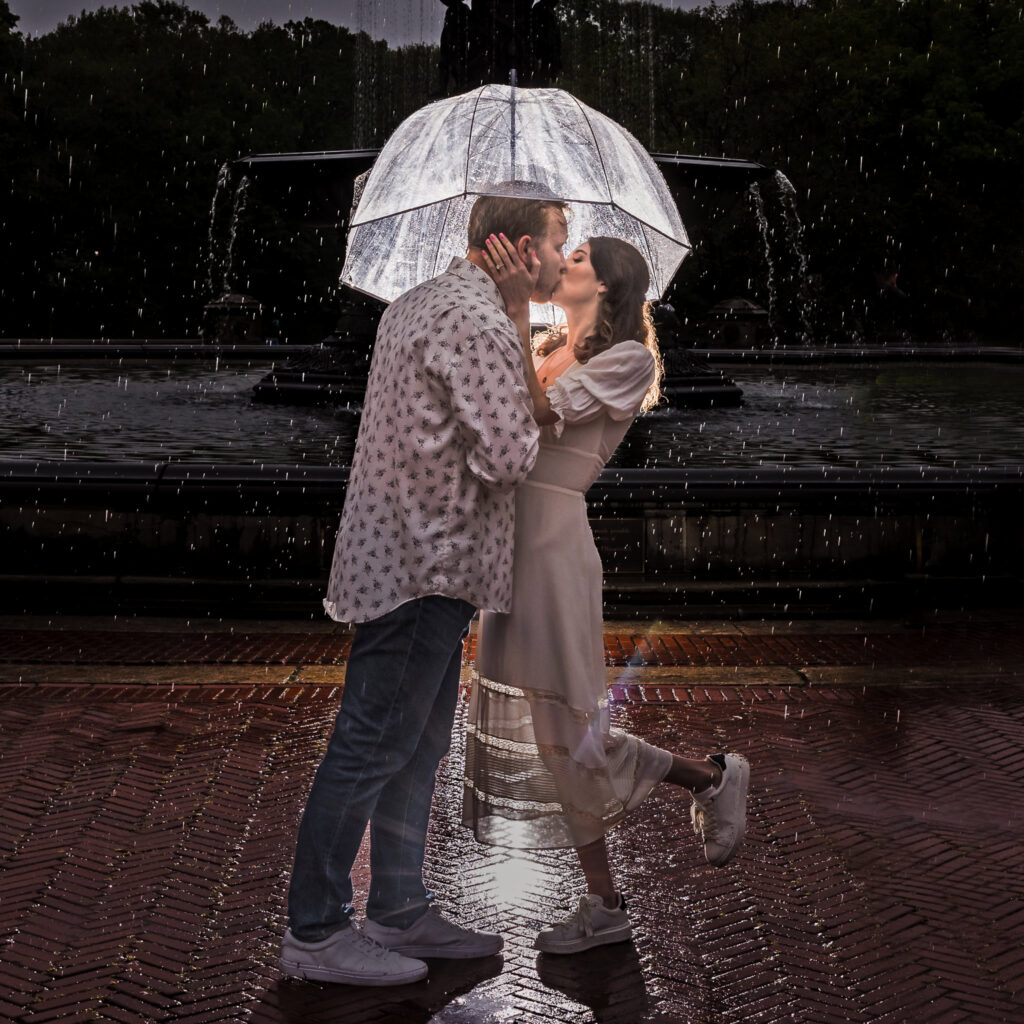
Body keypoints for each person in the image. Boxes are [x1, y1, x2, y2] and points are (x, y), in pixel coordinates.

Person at [280, 190, 569, 985]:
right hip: (427, 563)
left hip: (404, 559)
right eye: (557, 242)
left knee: (412, 743)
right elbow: (509, 456)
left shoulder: (415, 303)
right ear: (519, 248)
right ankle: (315, 931)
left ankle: (399, 907)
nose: (561, 258)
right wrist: (521, 336)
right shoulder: (477, 321)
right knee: (373, 742)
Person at [463, 233, 751, 954]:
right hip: (510, 548)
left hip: (554, 548)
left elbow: (537, 416)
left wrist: (515, 310)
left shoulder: (628, 359)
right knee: (558, 740)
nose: (562, 260)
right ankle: (702, 784)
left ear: (608, 285)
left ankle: (615, 893)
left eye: (579, 257)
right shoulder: (548, 347)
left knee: (568, 735)